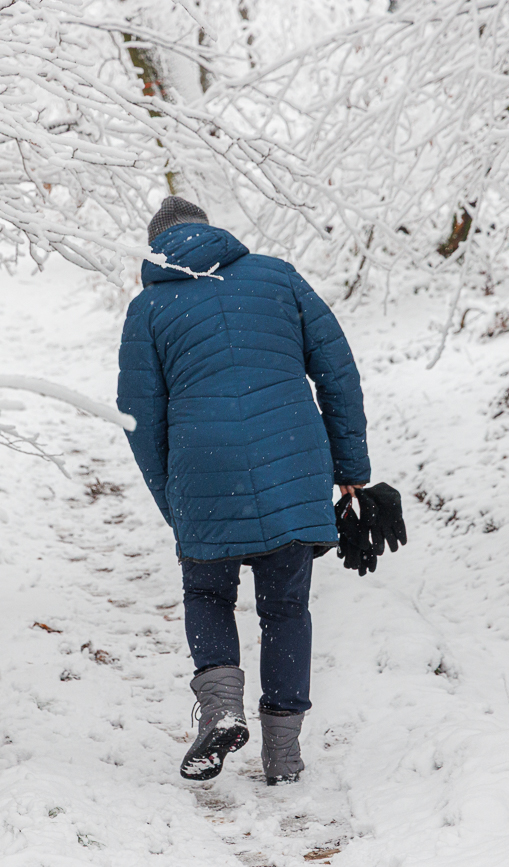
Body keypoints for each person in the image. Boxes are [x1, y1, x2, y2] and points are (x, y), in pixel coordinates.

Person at [117, 196, 369, 785]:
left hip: (204, 468)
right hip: (293, 460)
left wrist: (174, 503)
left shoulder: (150, 307)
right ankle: (284, 755)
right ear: (212, 230)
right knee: (286, 609)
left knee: (207, 593)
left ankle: (222, 708)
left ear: (156, 247)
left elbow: (139, 418)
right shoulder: (278, 277)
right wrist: (351, 466)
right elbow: (337, 369)